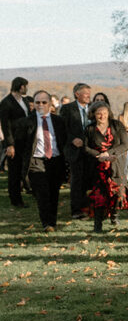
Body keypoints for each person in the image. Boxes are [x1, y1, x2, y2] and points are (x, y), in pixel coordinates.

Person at [13, 91, 67, 231]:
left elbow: (64, 141)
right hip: (36, 162)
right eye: (37, 102)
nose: (40, 105)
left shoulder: (59, 121)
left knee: (53, 193)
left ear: (50, 104)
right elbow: (20, 147)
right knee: (42, 193)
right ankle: (47, 224)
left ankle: (52, 222)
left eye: (44, 102)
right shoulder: (25, 123)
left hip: (55, 161)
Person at [83, 102, 128, 233]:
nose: (102, 116)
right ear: (93, 114)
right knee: (99, 196)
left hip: (116, 164)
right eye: (99, 113)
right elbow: (85, 148)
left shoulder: (117, 125)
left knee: (117, 194)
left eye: (105, 113)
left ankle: (114, 215)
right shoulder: (89, 129)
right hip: (98, 167)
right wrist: (99, 156)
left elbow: (125, 144)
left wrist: (109, 154)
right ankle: (97, 225)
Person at [58, 82, 92, 219]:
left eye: (90, 94)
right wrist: (72, 139)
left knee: (87, 180)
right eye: (86, 94)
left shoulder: (92, 108)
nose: (89, 96)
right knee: (77, 180)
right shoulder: (67, 109)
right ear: (77, 94)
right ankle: (76, 210)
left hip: (90, 150)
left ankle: (88, 206)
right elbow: (62, 128)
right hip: (74, 150)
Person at [1, 77, 32, 208]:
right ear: (21, 87)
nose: (27, 88)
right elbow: (5, 125)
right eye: (26, 86)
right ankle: (15, 199)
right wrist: (10, 145)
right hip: (14, 142)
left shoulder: (24, 100)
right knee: (14, 171)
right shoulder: (6, 102)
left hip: (26, 140)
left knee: (24, 169)